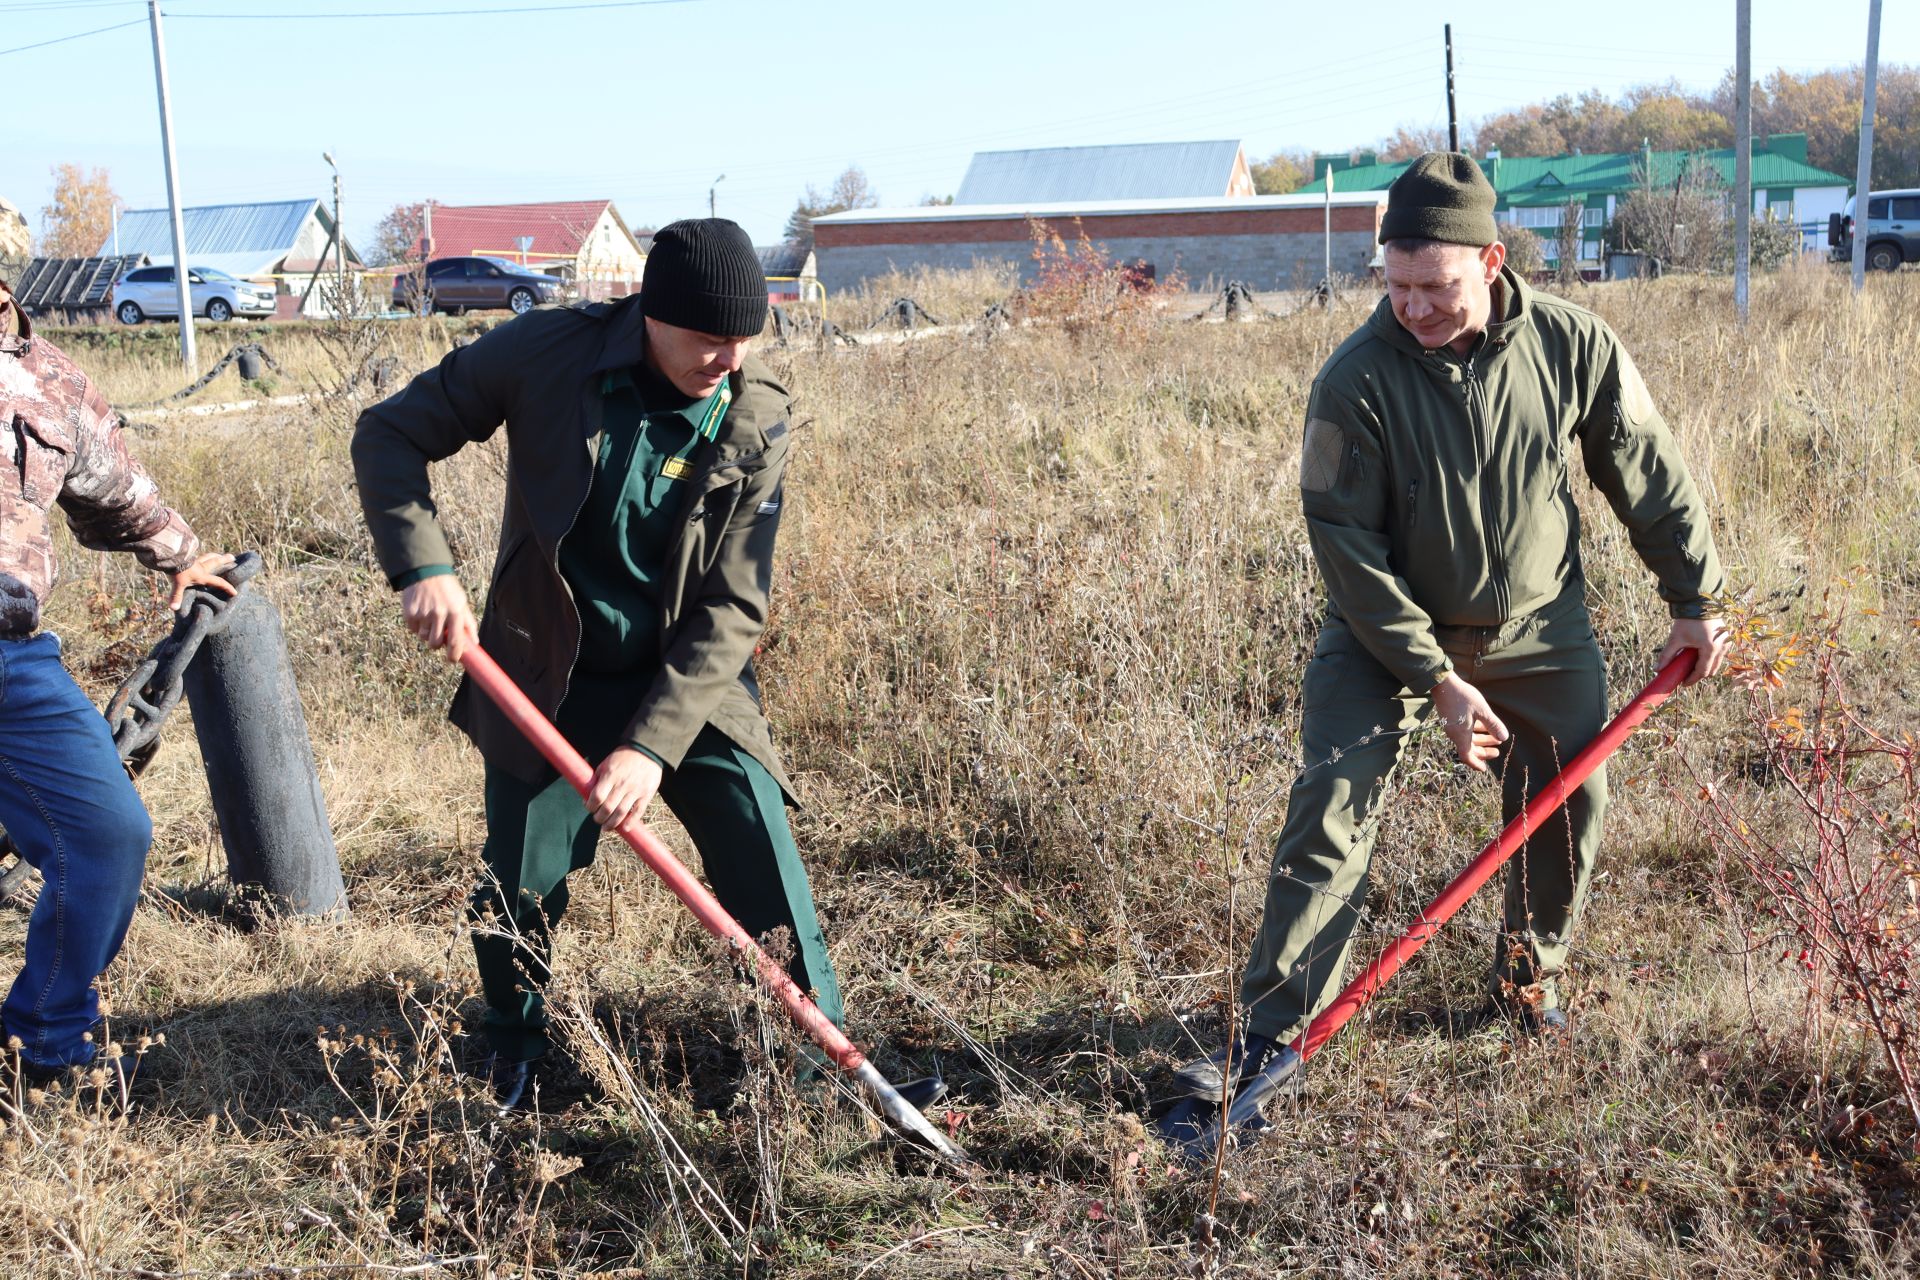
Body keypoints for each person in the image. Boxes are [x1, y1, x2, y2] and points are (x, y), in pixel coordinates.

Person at [1174, 153, 1732, 1101]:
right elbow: (1345, 546)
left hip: (1537, 626)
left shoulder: (1572, 345)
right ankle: (1271, 1032)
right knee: (1332, 807)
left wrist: (1696, 598)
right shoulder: (1352, 381)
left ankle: (1526, 985)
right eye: (1395, 287)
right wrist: (1433, 675)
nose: (1414, 309)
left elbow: (1646, 468)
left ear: (1493, 261)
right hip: (1383, 632)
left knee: (1567, 798)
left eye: (1435, 287)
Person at [352, 219, 940, 1112]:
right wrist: (423, 565)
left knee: (761, 852)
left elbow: (734, 605)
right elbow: (390, 435)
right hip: (546, 671)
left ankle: (810, 1069)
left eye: (745, 337)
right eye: (708, 338)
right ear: (651, 317)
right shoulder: (547, 354)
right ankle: (512, 1047)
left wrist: (649, 750)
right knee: (522, 880)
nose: (728, 357)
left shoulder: (755, 414)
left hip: (687, 683)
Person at [0, 278, 236, 1087]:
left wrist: (183, 553)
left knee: (106, 836)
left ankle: (45, 1042)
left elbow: (114, 487)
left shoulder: (47, 378)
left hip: (13, 659)